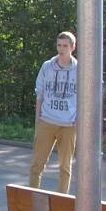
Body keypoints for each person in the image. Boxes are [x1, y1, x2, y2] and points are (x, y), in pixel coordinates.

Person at [29, 31, 78, 194]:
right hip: (47, 121)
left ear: (72, 47)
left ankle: (61, 200)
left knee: (65, 167)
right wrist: (38, 120)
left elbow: (84, 97)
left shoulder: (79, 70)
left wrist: (77, 120)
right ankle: (32, 198)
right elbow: (40, 94)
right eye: (59, 45)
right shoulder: (47, 66)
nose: (61, 49)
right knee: (37, 165)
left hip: (68, 125)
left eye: (65, 46)